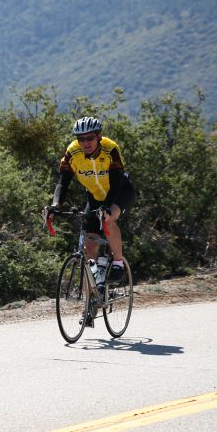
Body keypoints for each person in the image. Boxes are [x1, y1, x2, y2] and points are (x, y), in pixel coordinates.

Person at [48, 116, 136, 322]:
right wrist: (55, 205)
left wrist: (107, 207)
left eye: (90, 138)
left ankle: (117, 262)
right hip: (95, 197)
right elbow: (63, 182)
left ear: (99, 136)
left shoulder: (110, 148)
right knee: (89, 250)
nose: (85, 143)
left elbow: (115, 183)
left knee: (108, 219)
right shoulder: (73, 152)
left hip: (120, 193)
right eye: (81, 139)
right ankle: (90, 304)